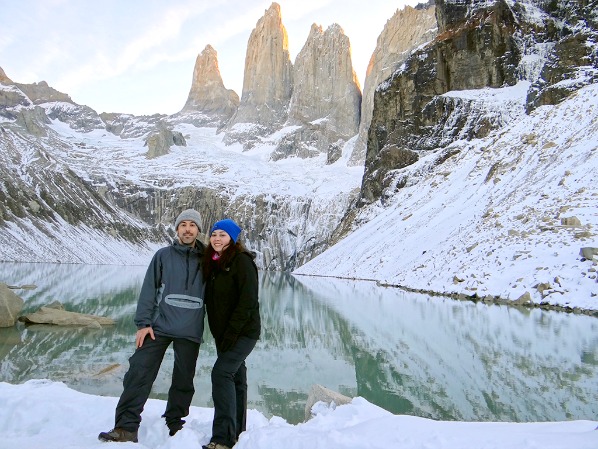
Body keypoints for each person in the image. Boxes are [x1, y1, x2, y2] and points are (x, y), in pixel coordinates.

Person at [99, 209, 206, 443]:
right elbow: (149, 289)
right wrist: (143, 323)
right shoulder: (163, 256)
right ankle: (126, 427)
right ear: (177, 229)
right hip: (158, 327)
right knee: (138, 372)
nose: (187, 229)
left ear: (199, 230)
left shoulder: (208, 259)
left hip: (190, 330)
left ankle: (175, 423)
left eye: (192, 225)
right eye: (183, 225)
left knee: (183, 380)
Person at [202, 219, 261, 449]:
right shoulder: (215, 261)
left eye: (223, 235)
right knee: (236, 377)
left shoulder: (241, 262)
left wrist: (232, 333)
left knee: (221, 374)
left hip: (242, 332)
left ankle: (222, 439)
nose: (217, 238)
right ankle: (237, 431)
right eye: (214, 234)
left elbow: (247, 302)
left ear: (233, 239)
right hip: (224, 333)